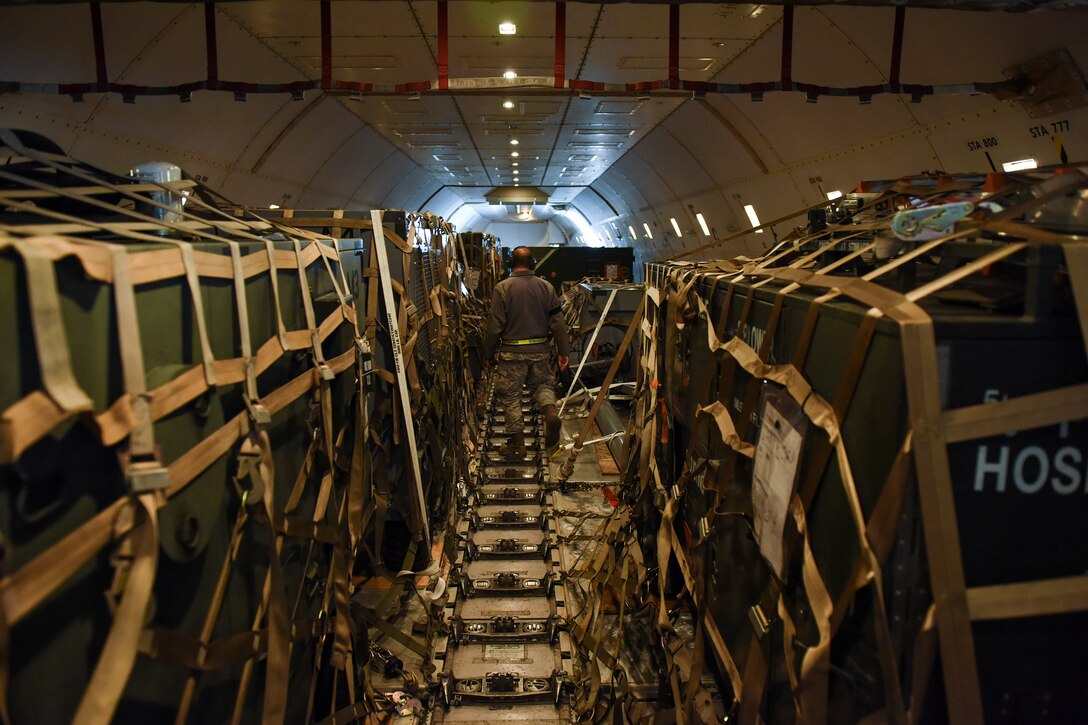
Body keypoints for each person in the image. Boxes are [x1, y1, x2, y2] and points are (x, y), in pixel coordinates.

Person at [482, 246, 570, 458]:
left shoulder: (502, 288)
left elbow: (494, 326)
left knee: (511, 396)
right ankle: (550, 413)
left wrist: (488, 354)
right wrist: (563, 351)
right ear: (532, 263)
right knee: (542, 386)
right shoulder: (546, 287)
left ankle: (518, 445)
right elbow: (558, 323)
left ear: (511, 264)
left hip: (511, 354)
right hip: (540, 351)